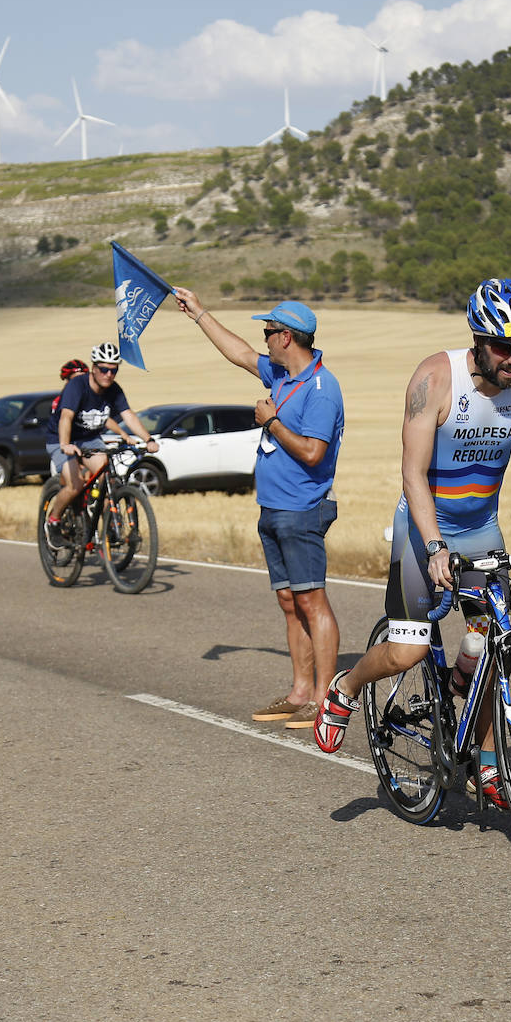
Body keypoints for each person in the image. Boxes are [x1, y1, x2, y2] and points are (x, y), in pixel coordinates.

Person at [313, 278, 511, 808]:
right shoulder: (436, 379)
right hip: (424, 528)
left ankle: (487, 766)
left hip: (482, 529)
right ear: (478, 340)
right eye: (505, 346)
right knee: (408, 650)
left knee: (492, 648)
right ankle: (345, 688)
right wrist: (435, 545)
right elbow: (412, 474)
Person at [172, 291, 344, 731]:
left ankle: (325, 700)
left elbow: (311, 452)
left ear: (286, 337)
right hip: (272, 508)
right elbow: (241, 354)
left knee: (312, 600)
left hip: (302, 509)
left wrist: (270, 422)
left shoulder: (322, 389)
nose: (263, 340)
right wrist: (200, 315)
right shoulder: (281, 375)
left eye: (268, 332)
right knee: (290, 603)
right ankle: (300, 692)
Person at [44, 344, 158, 545]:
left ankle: (110, 526)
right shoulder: (77, 386)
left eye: (114, 370)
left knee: (107, 477)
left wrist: (148, 439)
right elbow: (66, 417)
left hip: (89, 438)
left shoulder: (114, 390)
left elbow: (128, 416)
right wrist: (64, 444)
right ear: (94, 368)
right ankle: (53, 521)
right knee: (75, 484)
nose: (108, 374)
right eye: (104, 369)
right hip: (61, 438)